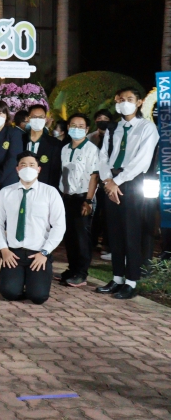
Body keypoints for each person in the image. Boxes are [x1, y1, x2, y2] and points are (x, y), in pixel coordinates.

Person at [96, 87, 159, 300]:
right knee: (114, 232)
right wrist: (108, 180)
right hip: (111, 181)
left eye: (130, 99)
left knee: (132, 232)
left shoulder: (147, 128)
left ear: (139, 102)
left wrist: (117, 182)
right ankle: (117, 278)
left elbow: (142, 160)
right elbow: (103, 156)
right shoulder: (113, 128)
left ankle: (131, 282)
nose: (125, 103)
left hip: (132, 183)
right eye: (121, 99)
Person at [0, 151, 66, 305]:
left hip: (38, 254)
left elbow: (59, 226)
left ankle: (32, 281)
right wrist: (4, 249)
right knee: (9, 293)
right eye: (23, 165)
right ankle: (19, 280)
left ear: (39, 169)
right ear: (17, 169)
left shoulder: (50, 192)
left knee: (38, 297)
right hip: (13, 254)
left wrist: (45, 252)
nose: (27, 168)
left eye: (32, 165)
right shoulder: (6, 192)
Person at [57, 113, 99, 287]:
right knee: (70, 236)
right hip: (67, 197)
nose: (76, 129)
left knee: (82, 237)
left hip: (82, 197)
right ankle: (72, 269)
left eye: (81, 126)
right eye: (73, 125)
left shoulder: (91, 149)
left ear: (87, 129)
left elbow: (94, 176)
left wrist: (88, 200)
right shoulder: (65, 149)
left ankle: (81, 273)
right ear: (68, 127)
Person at [87, 109, 114, 259]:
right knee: (94, 213)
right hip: (93, 179)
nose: (102, 120)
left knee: (108, 213)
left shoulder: (115, 137)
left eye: (105, 118)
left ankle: (107, 244)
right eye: (99, 118)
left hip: (108, 180)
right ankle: (91, 241)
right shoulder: (90, 138)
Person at [22, 104, 62, 189]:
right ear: (28, 119)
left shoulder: (54, 144)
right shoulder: (20, 140)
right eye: (34, 117)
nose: (37, 120)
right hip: (21, 186)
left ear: (45, 119)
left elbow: (55, 172)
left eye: (41, 117)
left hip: (43, 188)